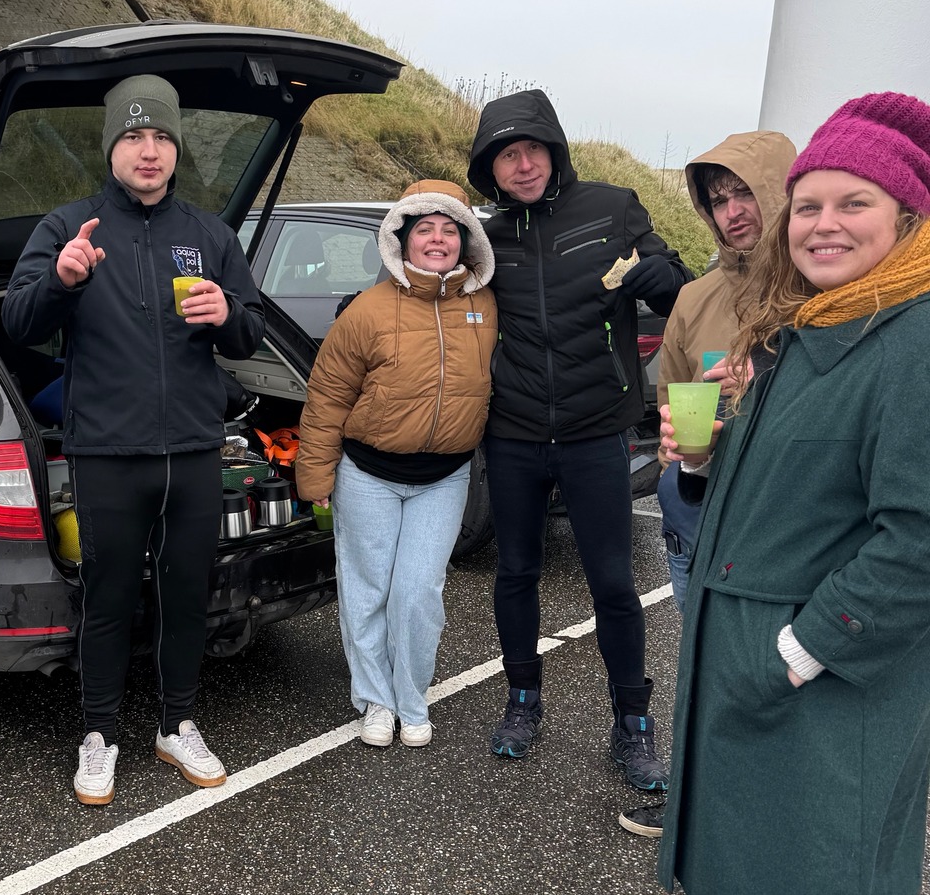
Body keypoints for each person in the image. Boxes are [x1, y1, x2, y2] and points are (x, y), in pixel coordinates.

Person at [657, 91, 930, 895]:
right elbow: (766, 485)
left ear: (905, 218)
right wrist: (699, 461)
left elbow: (917, 539)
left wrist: (803, 649)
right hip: (748, 631)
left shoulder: (912, 340)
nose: (823, 224)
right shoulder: (806, 327)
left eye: (853, 204)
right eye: (809, 205)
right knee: (747, 838)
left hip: (824, 655)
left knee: (805, 860)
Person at [2, 75, 265, 806]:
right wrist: (60, 281)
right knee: (109, 598)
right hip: (107, 451)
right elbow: (18, 322)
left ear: (175, 148)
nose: (148, 151)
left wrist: (227, 315)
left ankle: (177, 724)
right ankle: (99, 733)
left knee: (187, 595)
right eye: (132, 136)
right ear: (110, 147)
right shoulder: (70, 227)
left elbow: (250, 330)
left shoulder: (209, 235)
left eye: (160, 137)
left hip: (191, 449)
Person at [466, 89, 692, 792]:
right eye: (507, 155)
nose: (523, 164)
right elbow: (428, 285)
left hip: (595, 430)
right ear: (490, 169)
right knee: (515, 573)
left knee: (614, 583)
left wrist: (666, 278)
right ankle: (522, 699)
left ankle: (633, 722)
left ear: (554, 152)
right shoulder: (485, 238)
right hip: (513, 433)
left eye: (533, 149)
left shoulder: (613, 208)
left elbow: (678, 291)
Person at [619, 130, 796, 841]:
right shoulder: (695, 298)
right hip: (694, 512)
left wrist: (766, 382)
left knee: (773, 669)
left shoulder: (822, 290)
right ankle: (698, 801)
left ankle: (771, 809)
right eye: (717, 199)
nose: (732, 211)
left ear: (781, 188)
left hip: (777, 522)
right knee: (700, 661)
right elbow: (672, 398)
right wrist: (675, 447)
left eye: (744, 191)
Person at [295, 181, 496, 747]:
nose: (437, 239)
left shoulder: (485, 305)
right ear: (401, 241)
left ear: (466, 241)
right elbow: (328, 395)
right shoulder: (368, 310)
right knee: (367, 592)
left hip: (444, 477)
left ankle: (411, 698)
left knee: (417, 593)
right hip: (367, 475)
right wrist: (316, 473)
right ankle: (375, 700)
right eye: (424, 229)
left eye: (450, 230)